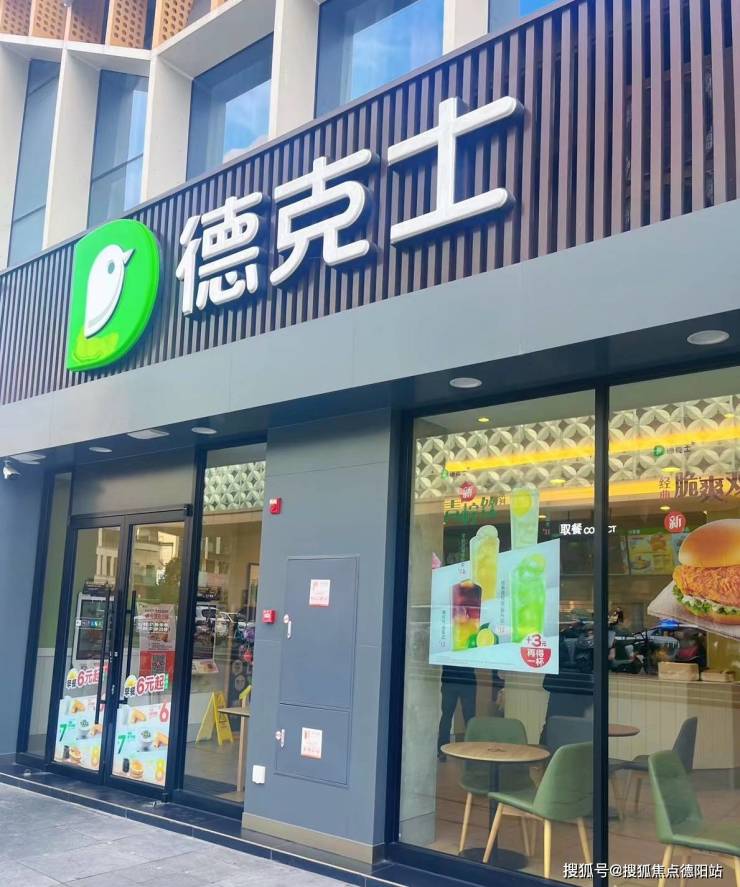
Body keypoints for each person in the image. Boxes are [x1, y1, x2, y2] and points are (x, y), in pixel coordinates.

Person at [437, 665, 477, 761]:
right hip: (467, 680)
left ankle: (442, 751)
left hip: (449, 679)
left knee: (446, 716)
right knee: (470, 719)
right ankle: (472, 751)